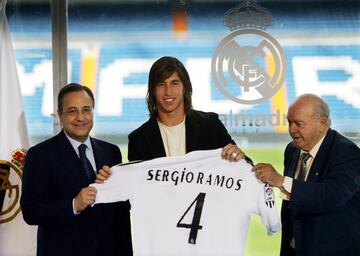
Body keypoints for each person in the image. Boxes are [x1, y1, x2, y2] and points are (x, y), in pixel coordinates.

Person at [20, 83, 132, 256]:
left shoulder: (111, 152)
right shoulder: (40, 155)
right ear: (60, 115)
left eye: (86, 110)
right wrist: (74, 205)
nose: (81, 117)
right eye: (72, 111)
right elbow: (31, 211)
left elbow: (121, 214)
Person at [253, 94, 360, 256]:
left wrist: (281, 181)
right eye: (289, 122)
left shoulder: (346, 153)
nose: (291, 129)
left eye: (298, 124)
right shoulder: (292, 150)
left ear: (322, 124)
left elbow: (331, 196)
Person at [127, 56, 249, 162]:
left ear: (185, 87)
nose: (168, 91)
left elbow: (242, 168)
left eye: (174, 83)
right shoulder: (138, 140)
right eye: (161, 84)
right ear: (153, 90)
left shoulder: (211, 125)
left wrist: (240, 157)